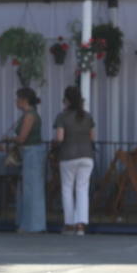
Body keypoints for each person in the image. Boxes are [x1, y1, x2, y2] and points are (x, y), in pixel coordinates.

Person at [54, 85, 96, 235]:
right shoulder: (87, 116)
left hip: (68, 155)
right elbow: (92, 137)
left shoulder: (62, 116)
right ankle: (81, 224)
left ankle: (69, 223)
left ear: (66, 100)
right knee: (82, 189)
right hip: (87, 155)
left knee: (67, 188)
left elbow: (59, 137)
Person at [13, 87, 47, 233]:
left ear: (24, 100)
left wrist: (9, 139)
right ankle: (30, 223)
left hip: (31, 152)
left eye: (18, 98)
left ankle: (32, 225)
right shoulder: (30, 114)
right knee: (30, 188)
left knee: (31, 189)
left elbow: (22, 137)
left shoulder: (29, 116)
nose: (16, 101)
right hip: (32, 152)